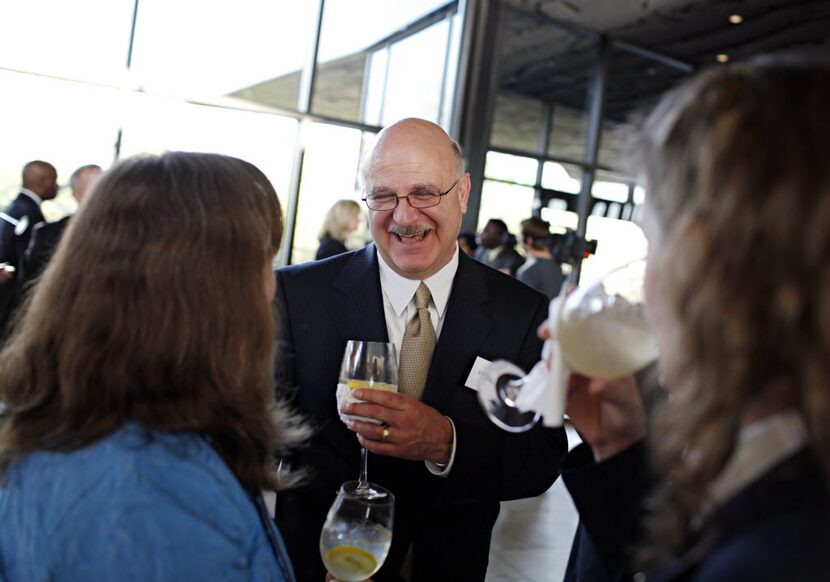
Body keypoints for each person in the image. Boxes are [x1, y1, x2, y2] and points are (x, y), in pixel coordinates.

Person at [559, 54, 830, 581]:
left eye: (651, 240)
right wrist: (619, 448)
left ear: (698, 257)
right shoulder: (777, 467)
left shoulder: (777, 560)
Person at [274, 118, 567, 581]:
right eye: (384, 196)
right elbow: (256, 433)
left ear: (463, 193)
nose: (405, 217)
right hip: (318, 564)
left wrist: (445, 442)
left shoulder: (524, 313)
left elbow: (541, 456)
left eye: (424, 193)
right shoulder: (296, 294)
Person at [0, 152, 306, 580]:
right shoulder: (154, 498)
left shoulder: (72, 424)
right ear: (213, 294)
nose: (271, 287)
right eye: (262, 263)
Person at [19, 164, 102, 284]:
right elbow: (30, 285)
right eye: (93, 187)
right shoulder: (47, 234)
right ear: (75, 193)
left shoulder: (128, 232)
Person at [0, 161, 58, 332]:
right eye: (54, 181)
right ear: (44, 181)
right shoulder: (29, 215)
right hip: (13, 297)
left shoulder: (13, 208)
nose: (56, 186)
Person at [516, 216, 564, 299]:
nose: (517, 237)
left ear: (529, 240)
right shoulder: (557, 266)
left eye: (519, 234)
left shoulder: (528, 271)